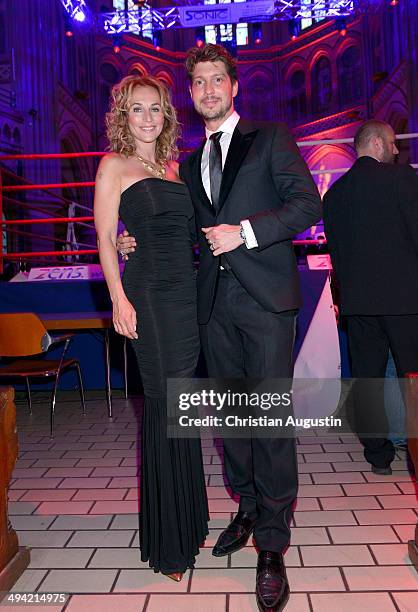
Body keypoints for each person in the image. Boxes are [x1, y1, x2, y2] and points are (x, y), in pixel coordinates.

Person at [118, 44, 322, 612]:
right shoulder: (184, 162)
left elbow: (308, 205)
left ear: (235, 87)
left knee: (270, 422)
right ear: (193, 93)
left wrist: (247, 233)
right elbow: (183, 232)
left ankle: (274, 543)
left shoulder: (271, 138)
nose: (208, 89)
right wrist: (130, 240)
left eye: (217, 80)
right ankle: (249, 506)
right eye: (199, 82)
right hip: (208, 306)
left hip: (264, 301)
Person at [94, 75, 209, 581]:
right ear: (123, 115)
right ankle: (169, 543)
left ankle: (191, 516)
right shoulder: (112, 166)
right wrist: (118, 297)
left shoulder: (175, 169)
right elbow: (103, 239)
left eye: (156, 109)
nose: (147, 117)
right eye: (137, 109)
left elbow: (190, 233)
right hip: (147, 296)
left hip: (184, 296)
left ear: (166, 116)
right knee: (163, 404)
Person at [323, 119, 418, 474]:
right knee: (414, 380)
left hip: (358, 305)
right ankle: (415, 454)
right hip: (405, 302)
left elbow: (338, 255)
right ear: (377, 143)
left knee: (368, 381)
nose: (397, 150)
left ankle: (378, 455)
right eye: (393, 143)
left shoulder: (334, 194)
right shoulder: (401, 178)